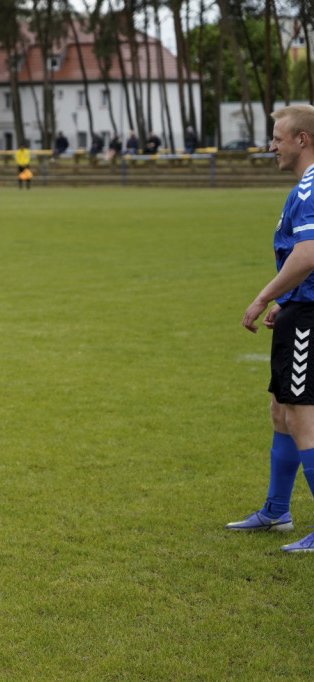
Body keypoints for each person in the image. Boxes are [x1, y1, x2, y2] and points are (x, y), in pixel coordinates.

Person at [231, 104, 314, 553]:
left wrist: (265, 295)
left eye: (278, 137)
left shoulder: (313, 186)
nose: (272, 145)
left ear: (303, 139)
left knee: (303, 418)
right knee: (281, 411)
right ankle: (277, 510)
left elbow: (308, 254)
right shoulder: (304, 186)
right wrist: (287, 299)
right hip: (298, 310)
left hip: (309, 319)